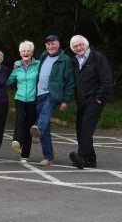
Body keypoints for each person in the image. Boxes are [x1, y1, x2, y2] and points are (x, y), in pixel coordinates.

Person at [69, 35, 112, 169]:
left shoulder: (98, 58)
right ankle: (91, 159)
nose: (78, 48)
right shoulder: (74, 61)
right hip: (81, 101)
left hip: (95, 100)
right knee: (80, 129)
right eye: (75, 46)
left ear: (86, 44)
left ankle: (81, 156)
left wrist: (99, 98)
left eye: (80, 44)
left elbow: (107, 80)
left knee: (86, 128)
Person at [30, 35, 74, 166]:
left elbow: (70, 81)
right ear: (45, 46)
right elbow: (31, 64)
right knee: (45, 127)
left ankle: (38, 130)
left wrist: (66, 100)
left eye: (53, 44)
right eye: (48, 44)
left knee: (43, 117)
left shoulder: (65, 59)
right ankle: (48, 158)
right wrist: (18, 63)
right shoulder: (43, 56)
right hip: (40, 95)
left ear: (58, 44)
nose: (51, 46)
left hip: (53, 93)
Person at [7, 41, 40, 163]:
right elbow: (9, 82)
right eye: (23, 51)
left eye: (28, 51)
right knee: (19, 121)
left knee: (29, 126)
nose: (26, 52)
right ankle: (17, 142)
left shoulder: (38, 65)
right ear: (20, 53)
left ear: (31, 52)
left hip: (33, 99)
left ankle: (25, 155)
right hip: (20, 98)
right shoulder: (17, 66)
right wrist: (12, 71)